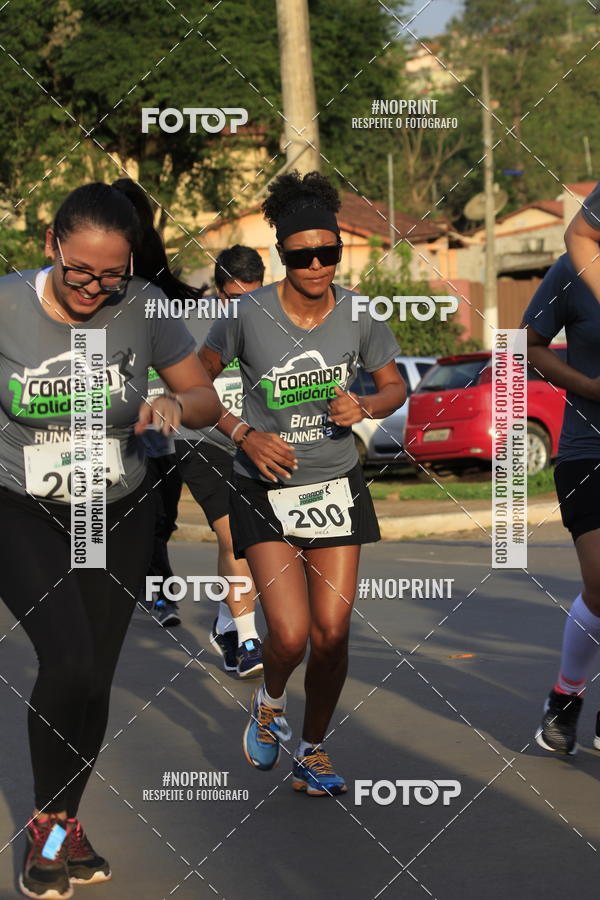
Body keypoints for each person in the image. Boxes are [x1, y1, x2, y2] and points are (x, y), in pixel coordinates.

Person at [0, 181, 220, 898]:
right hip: (20, 505)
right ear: (50, 247)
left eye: (111, 275)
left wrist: (170, 402)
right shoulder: (4, 306)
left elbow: (206, 399)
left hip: (116, 507)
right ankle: (50, 827)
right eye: (78, 271)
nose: (94, 288)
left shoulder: (148, 308)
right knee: (65, 660)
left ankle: (63, 824)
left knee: (94, 677)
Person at [200, 171, 406, 795]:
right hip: (265, 487)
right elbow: (196, 383)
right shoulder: (246, 316)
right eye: (303, 254)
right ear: (282, 254)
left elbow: (396, 385)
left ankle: (311, 752)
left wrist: (367, 407)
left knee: (333, 635)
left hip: (337, 486)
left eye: (329, 252)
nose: (317, 265)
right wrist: (243, 433)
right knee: (287, 635)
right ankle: (270, 700)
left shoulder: (357, 315)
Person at [173, 245, 266, 677]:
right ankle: (248, 640)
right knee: (234, 537)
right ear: (217, 288)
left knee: (258, 542)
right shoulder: (189, 322)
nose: (244, 307)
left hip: (254, 444)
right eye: (235, 297)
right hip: (201, 441)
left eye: (254, 295)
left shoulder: (272, 320)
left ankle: (226, 621)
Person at [522, 248, 600, 755]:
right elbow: (529, 344)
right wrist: (590, 386)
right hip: (588, 449)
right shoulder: (576, 268)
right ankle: (566, 695)